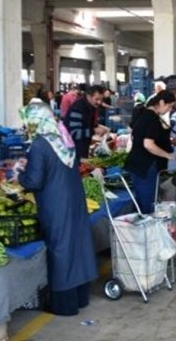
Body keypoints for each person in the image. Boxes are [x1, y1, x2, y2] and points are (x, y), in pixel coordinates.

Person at [17, 101, 97, 316]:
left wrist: (19, 175)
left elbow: (34, 181)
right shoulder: (63, 137)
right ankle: (80, 298)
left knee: (60, 249)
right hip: (74, 200)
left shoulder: (40, 144)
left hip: (55, 203)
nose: (26, 126)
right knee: (77, 246)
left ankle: (65, 305)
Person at [124, 91, 175, 214]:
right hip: (145, 167)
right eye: (169, 106)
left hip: (136, 164)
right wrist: (168, 155)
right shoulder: (152, 119)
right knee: (148, 205)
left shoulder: (142, 113)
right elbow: (148, 144)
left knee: (141, 203)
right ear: (161, 102)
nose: (170, 110)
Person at [65, 85, 109, 159]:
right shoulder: (78, 108)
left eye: (101, 99)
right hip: (73, 151)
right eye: (96, 99)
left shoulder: (90, 106)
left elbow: (85, 123)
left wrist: (97, 126)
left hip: (83, 147)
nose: (99, 102)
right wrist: (94, 131)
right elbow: (75, 133)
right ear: (89, 96)